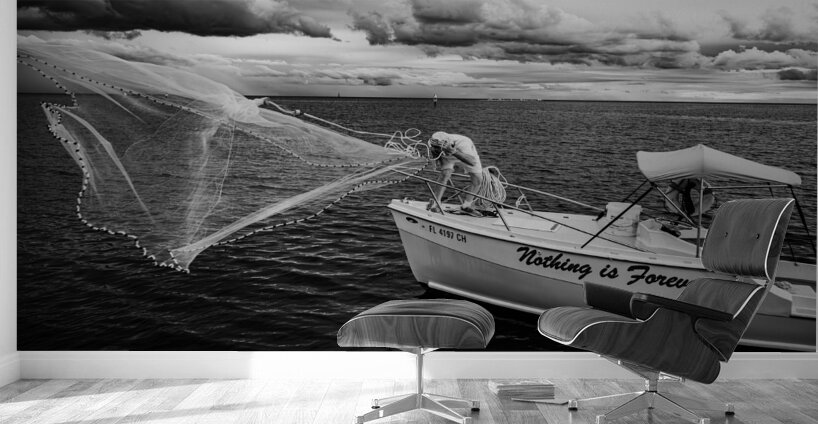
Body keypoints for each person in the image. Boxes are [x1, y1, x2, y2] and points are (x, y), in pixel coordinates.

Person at [426, 131, 483, 216]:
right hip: (447, 153)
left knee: (478, 179)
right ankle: (436, 203)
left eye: (437, 147)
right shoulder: (435, 142)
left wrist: (454, 151)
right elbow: (435, 153)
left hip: (465, 154)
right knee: (444, 174)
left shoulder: (464, 143)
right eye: (435, 147)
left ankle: (466, 206)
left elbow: (472, 162)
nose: (435, 149)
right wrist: (436, 161)